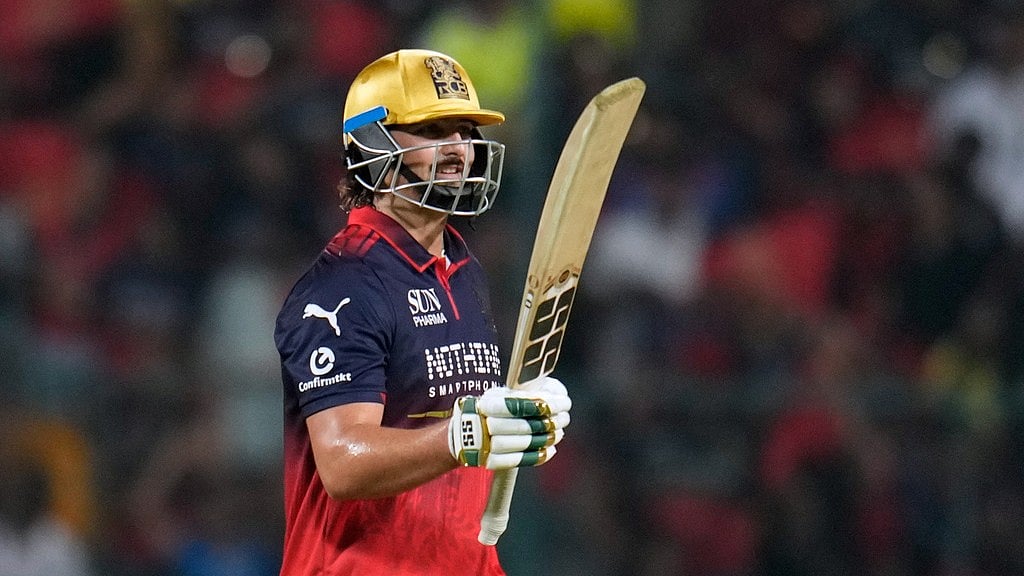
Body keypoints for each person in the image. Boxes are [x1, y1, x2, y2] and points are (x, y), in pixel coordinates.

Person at [274, 49, 572, 575]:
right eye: (434, 130)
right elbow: (344, 464)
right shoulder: (343, 284)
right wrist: (466, 434)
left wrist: (522, 424)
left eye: (464, 130)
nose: (459, 149)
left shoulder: (463, 267)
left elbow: (463, 430)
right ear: (373, 145)